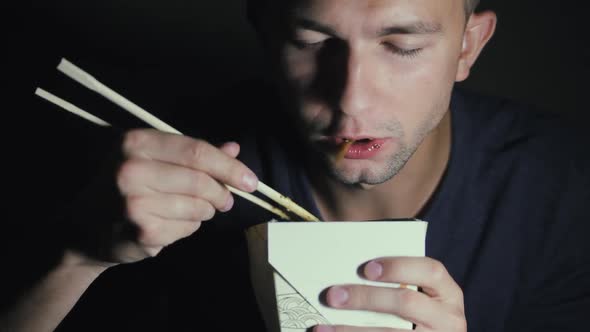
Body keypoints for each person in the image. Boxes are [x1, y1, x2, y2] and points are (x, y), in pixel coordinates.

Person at [2, 0, 589, 331]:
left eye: (402, 45)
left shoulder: (564, 190)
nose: (352, 101)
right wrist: (77, 258)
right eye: (311, 42)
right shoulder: (165, 164)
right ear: (265, 34)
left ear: (469, 45)